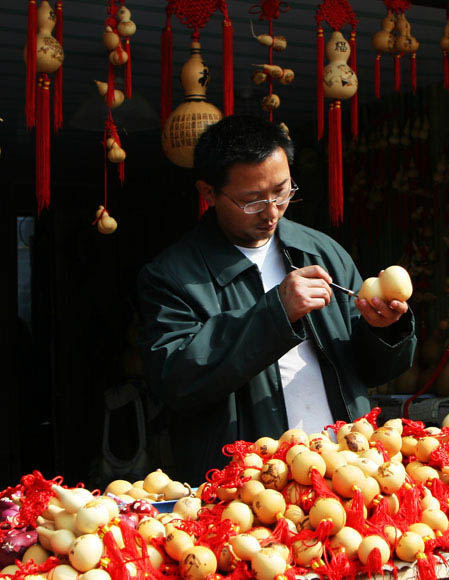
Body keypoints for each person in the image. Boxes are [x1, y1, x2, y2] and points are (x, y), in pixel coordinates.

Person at [137, 115, 416, 484]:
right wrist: (275, 313)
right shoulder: (172, 276)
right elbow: (174, 381)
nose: (271, 212)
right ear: (208, 193)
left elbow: (371, 370)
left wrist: (383, 331)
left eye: (282, 192)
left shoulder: (320, 251)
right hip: (251, 486)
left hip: (346, 474)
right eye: (252, 200)